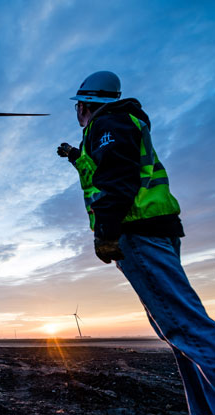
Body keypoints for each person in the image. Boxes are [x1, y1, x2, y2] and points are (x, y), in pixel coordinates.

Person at [58, 71, 215, 414]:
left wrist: (107, 232)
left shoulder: (109, 124)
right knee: (179, 335)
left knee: (187, 329)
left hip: (139, 231)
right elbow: (107, 167)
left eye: (78, 108)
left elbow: (116, 177)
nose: (78, 115)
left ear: (85, 105)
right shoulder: (120, 124)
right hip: (154, 230)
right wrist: (75, 156)